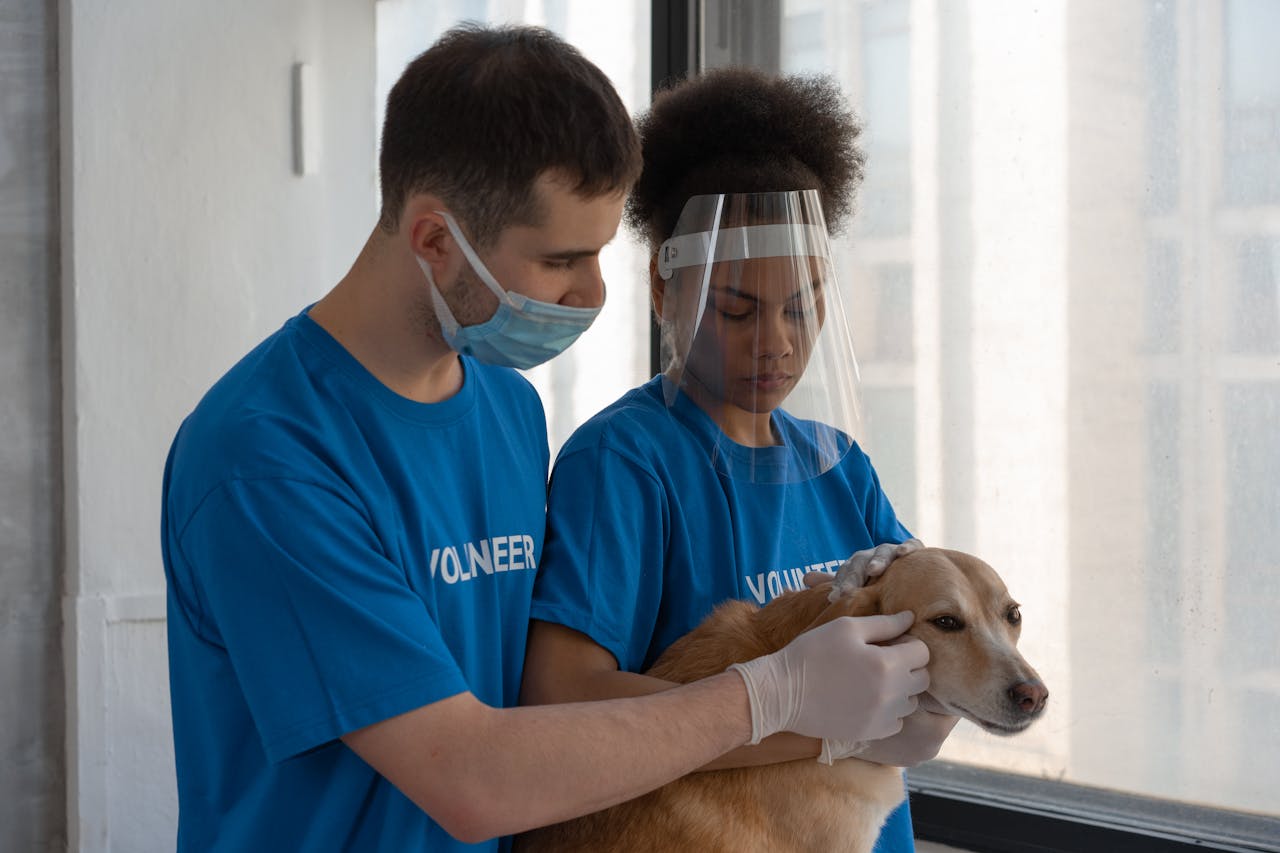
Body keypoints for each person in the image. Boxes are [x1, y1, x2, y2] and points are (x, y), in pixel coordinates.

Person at [160, 25, 932, 852]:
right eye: (563, 259)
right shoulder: (266, 461)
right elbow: (472, 776)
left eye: (600, 252)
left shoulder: (507, 408)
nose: (595, 291)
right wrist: (775, 698)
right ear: (434, 239)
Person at [521, 67, 959, 851]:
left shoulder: (840, 466)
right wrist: (810, 721)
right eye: (737, 309)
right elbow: (563, 696)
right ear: (666, 291)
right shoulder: (626, 462)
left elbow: (934, 641)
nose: (778, 342)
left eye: (802, 305)